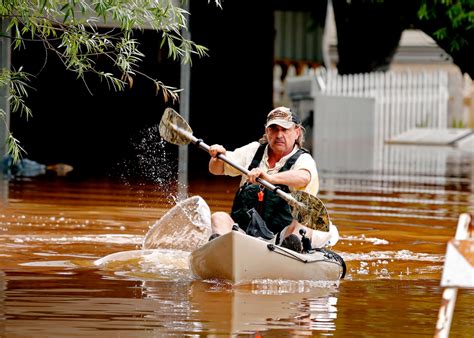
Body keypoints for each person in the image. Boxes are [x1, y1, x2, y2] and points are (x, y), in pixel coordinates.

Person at [207, 106, 339, 250]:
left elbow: (304, 177)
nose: (279, 135)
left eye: (285, 129)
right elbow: (216, 170)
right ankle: (221, 250)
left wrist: (270, 178)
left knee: (304, 220)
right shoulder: (253, 151)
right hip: (245, 234)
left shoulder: (304, 159)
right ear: (267, 131)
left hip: (282, 237)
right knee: (218, 217)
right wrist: (217, 157)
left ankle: (292, 249)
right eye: (274, 129)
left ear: (297, 132)